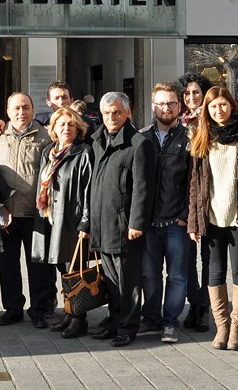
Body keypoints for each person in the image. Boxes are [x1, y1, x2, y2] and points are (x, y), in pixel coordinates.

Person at [188, 85, 238, 351]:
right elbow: (194, 183)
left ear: (231, 105)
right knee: (214, 272)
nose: (219, 110)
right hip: (212, 217)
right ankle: (222, 327)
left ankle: (237, 328)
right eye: (213, 106)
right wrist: (194, 221)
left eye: (223, 104)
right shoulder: (202, 136)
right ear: (207, 109)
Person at [85, 91, 153, 347]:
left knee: (128, 282)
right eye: (106, 113)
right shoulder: (97, 140)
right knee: (111, 280)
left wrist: (136, 222)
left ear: (127, 113)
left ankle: (128, 327)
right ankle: (114, 321)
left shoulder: (138, 144)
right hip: (102, 224)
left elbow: (143, 188)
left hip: (125, 225)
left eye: (116, 112)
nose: (111, 117)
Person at [31, 107, 92, 338]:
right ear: (53, 128)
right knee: (61, 269)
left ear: (78, 128)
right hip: (50, 218)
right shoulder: (49, 151)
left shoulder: (83, 152)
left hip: (71, 221)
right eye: (62, 124)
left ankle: (79, 319)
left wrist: (85, 224)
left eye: (71, 124)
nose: (66, 128)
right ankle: (69, 314)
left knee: (74, 269)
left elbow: (88, 191)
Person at [0, 92, 53, 329]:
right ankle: (13, 308)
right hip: (6, 214)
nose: (21, 112)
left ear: (32, 109)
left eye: (26, 107)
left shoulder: (46, 136)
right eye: (16, 108)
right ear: (7, 112)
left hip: (34, 212)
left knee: (37, 265)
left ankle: (39, 310)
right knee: (7, 265)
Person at [138, 82, 191, 344]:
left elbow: (195, 181)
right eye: (160, 103)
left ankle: (171, 322)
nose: (165, 107)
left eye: (170, 103)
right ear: (153, 106)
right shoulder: (142, 137)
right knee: (149, 275)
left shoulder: (189, 139)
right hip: (148, 223)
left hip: (176, 222)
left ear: (179, 107)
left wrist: (185, 213)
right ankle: (151, 319)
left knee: (178, 276)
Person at [178, 72, 212, 333]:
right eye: (187, 93)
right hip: (184, 199)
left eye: (196, 93)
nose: (191, 98)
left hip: (210, 198)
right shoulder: (179, 124)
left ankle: (204, 308)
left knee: (209, 257)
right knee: (186, 259)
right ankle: (195, 303)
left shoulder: (211, 121)